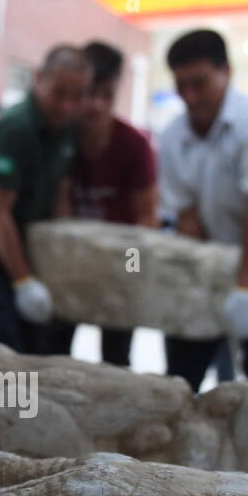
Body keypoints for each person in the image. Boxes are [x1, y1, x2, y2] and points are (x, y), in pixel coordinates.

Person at [157, 29, 248, 392]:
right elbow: (187, 215)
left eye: (200, 83)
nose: (190, 96)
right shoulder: (174, 134)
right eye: (181, 86)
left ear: (227, 71)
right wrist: (207, 276)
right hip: (216, 256)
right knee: (182, 374)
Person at [0, 48, 88, 354]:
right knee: (3, 360)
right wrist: (23, 281)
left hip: (25, 258)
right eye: (59, 93)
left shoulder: (65, 130)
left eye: (77, 96)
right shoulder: (16, 128)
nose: (66, 106)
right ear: (38, 79)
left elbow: (59, 196)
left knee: (36, 356)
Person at [45, 40, 157, 365]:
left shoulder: (134, 145)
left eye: (106, 95)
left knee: (117, 360)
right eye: (87, 95)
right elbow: (57, 210)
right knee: (53, 354)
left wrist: (130, 273)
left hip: (119, 271)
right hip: (68, 270)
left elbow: (146, 219)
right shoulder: (59, 139)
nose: (95, 105)